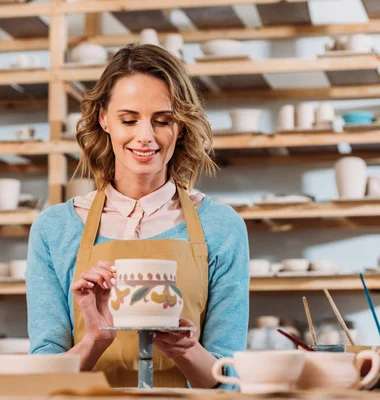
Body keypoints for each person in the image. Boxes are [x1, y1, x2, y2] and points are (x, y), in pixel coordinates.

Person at [26, 44, 249, 389]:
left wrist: (187, 351)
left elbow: (230, 380)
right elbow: (43, 377)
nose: (145, 137)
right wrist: (94, 339)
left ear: (181, 126)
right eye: (128, 120)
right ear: (103, 118)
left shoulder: (221, 227)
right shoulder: (54, 229)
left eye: (162, 120)